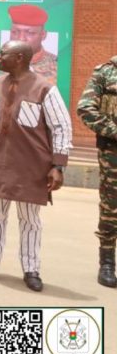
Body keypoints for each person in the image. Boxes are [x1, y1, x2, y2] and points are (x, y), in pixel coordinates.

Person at [0, 40, 72, 292]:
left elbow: (61, 128)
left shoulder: (45, 89)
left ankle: (31, 269)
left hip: (31, 168)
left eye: (4, 53)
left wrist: (58, 165)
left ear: (21, 58)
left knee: (30, 220)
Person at [76, 53, 117, 289]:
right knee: (111, 207)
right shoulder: (106, 72)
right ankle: (107, 263)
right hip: (113, 153)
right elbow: (86, 109)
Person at [8, 5, 57, 85]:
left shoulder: (57, 65)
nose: (21, 38)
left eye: (30, 33)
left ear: (43, 35)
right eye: (15, 32)